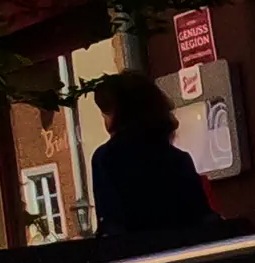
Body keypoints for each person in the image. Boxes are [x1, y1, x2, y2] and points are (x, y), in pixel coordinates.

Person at [87, 72, 221, 241]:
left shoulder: (106, 158)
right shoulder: (179, 160)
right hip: (182, 253)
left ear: (119, 115)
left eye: (105, 115)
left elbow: (112, 223)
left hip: (138, 258)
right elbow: (201, 217)